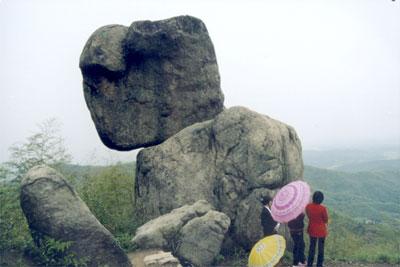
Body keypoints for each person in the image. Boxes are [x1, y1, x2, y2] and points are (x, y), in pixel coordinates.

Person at [306, 191, 329, 267]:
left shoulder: (308, 206)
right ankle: (319, 264)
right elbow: (325, 220)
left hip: (312, 229)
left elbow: (308, 216)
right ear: (321, 199)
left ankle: (309, 264)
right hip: (321, 231)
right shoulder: (323, 209)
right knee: (321, 249)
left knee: (312, 247)